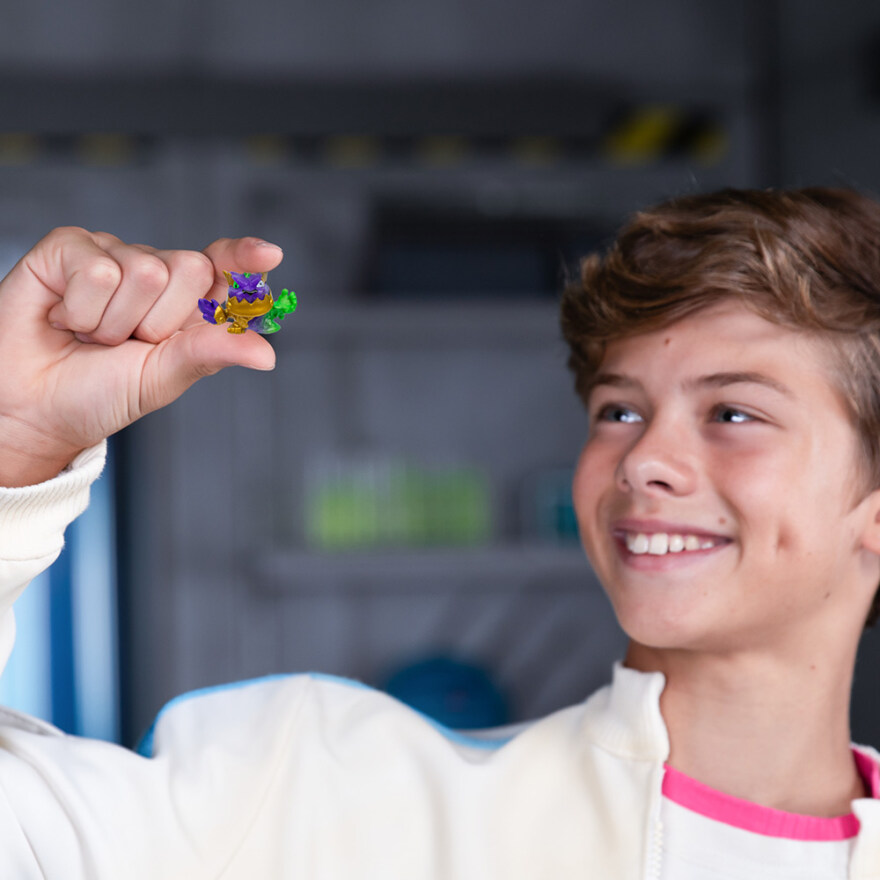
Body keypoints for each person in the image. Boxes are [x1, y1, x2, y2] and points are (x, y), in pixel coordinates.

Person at [0, 188, 878, 879]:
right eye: (619, 410)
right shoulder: (311, 786)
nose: (643, 458)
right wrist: (14, 444)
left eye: (732, 413)